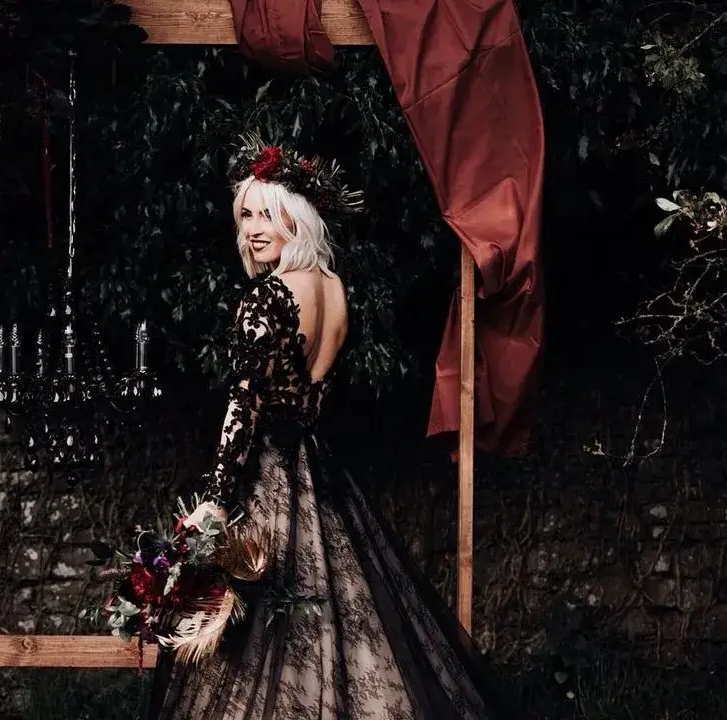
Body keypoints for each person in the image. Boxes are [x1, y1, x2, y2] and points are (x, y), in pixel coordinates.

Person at [148, 136, 511, 719]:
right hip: (316, 471)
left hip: (266, 472)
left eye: (269, 212)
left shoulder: (264, 298)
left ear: (299, 216)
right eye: (246, 215)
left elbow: (245, 403)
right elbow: (313, 395)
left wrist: (215, 500)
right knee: (328, 612)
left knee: (257, 624)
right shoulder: (335, 291)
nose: (254, 229)